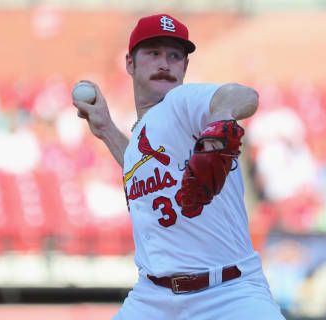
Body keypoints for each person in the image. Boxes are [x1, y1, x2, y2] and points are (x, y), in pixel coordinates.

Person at [72, 13, 285, 319]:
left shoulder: (183, 102)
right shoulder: (144, 135)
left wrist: (220, 119)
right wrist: (106, 129)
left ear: (185, 67)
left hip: (227, 293)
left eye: (175, 56)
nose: (165, 63)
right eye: (153, 53)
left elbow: (243, 96)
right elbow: (139, 169)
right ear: (130, 64)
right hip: (151, 297)